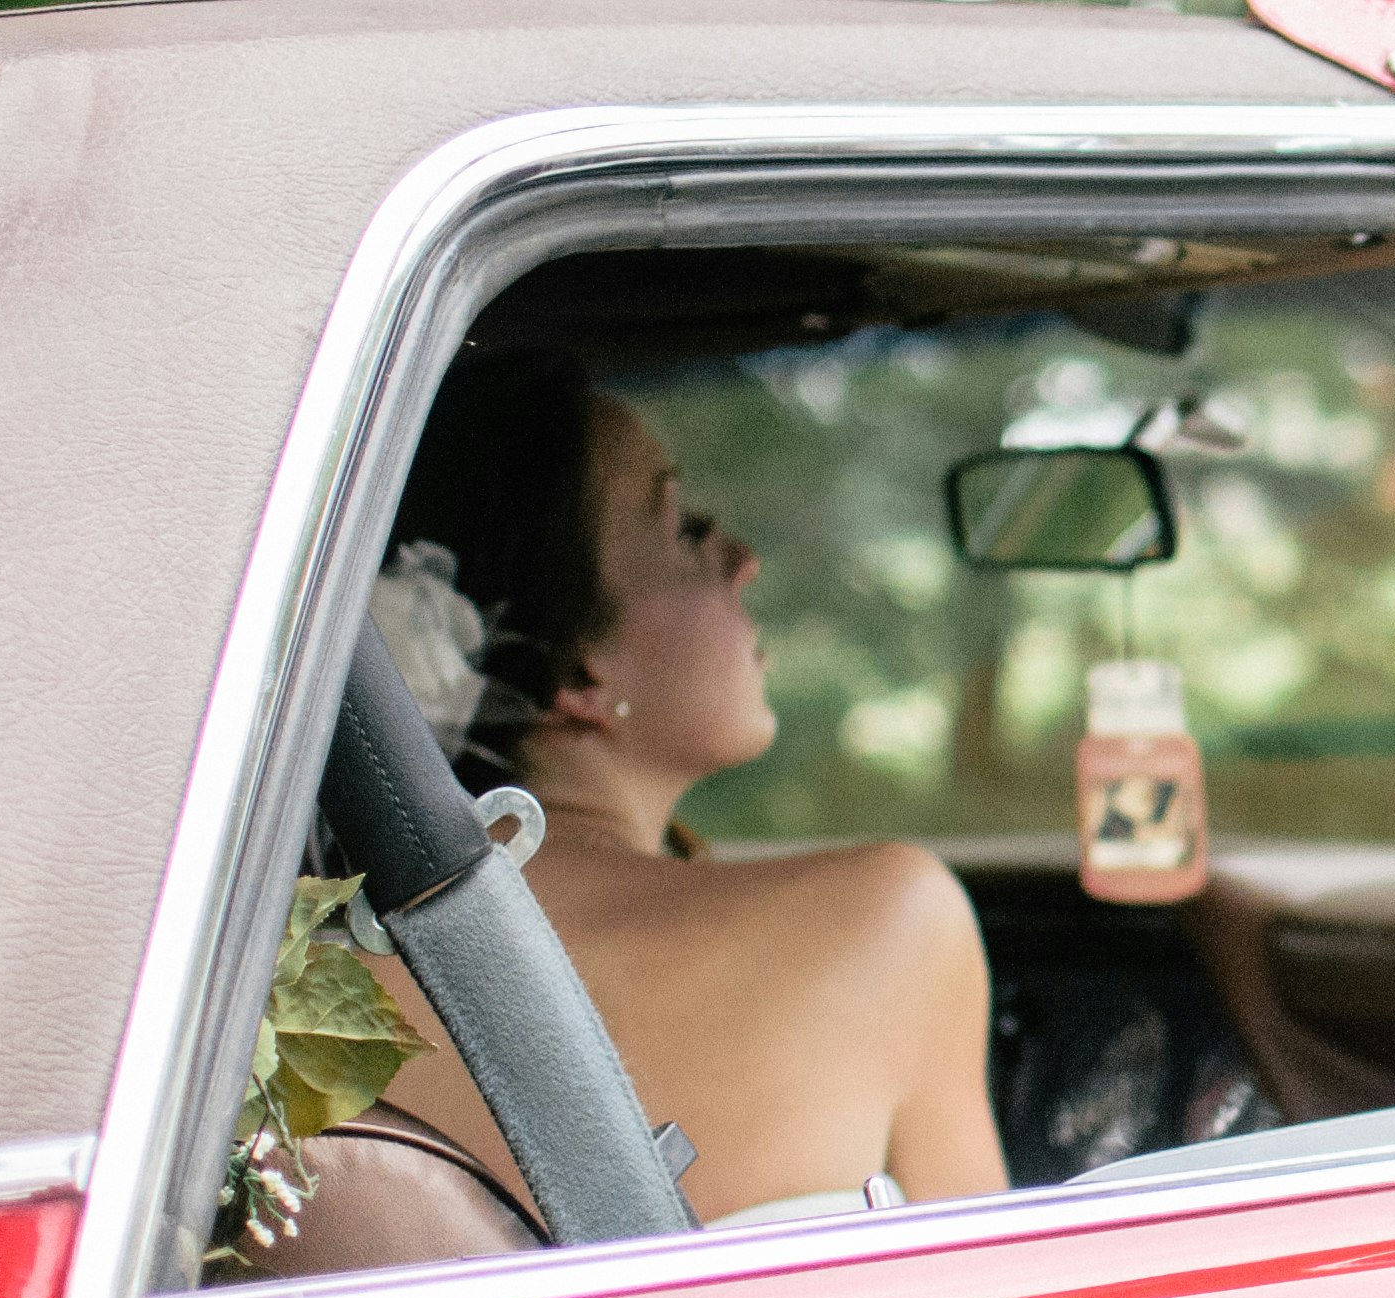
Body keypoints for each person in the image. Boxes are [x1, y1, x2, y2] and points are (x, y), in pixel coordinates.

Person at [360, 345, 1009, 1221]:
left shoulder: (301, 966)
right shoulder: (890, 916)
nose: (744, 560)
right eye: (687, 530)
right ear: (576, 674)